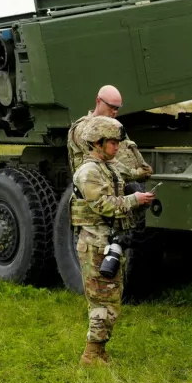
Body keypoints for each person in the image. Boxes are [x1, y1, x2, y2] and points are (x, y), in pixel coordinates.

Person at [71, 116, 155, 366]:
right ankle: (91, 354)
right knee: (102, 301)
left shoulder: (107, 168)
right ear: (97, 143)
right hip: (95, 244)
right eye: (112, 143)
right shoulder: (88, 172)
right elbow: (104, 206)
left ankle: (98, 350)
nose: (117, 147)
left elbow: (136, 173)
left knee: (111, 299)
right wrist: (134, 201)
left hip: (107, 242)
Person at [67, 85, 153, 181]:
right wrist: (136, 174)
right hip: (101, 189)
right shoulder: (84, 128)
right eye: (111, 107)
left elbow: (129, 150)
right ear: (98, 101)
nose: (115, 112)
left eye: (117, 108)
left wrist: (144, 167)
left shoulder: (112, 126)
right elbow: (104, 162)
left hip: (122, 187)